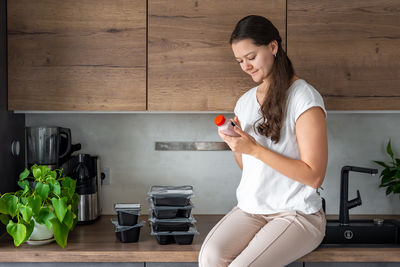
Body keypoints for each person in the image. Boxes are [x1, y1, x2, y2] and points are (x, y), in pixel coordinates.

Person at [198, 15, 328, 267]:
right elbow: (250, 169)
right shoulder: (245, 102)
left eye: (251, 57)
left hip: (297, 214)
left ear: (273, 46)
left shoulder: (305, 98)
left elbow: (314, 176)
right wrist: (236, 145)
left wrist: (255, 149)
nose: (245, 66)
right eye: (239, 61)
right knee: (209, 258)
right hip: (251, 210)